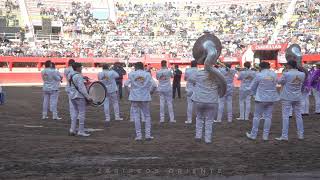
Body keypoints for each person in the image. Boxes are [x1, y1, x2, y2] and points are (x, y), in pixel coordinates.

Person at [246, 62, 280, 141]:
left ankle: (253, 135)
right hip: (271, 98)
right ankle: (265, 136)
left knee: (257, 116)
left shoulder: (259, 75)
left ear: (261, 67)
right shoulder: (274, 74)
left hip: (261, 98)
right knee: (268, 117)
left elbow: (252, 87)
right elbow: (276, 83)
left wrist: (252, 94)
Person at [275, 60, 305, 141]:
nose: (286, 66)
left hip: (287, 97)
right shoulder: (302, 74)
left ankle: (284, 136)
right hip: (297, 97)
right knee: (298, 116)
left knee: (285, 116)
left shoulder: (286, 74)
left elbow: (279, 82)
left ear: (289, 65)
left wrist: (277, 76)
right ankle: (301, 135)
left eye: (287, 65)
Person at [125, 62, 154, 141]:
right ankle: (147, 135)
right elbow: (154, 85)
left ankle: (139, 136)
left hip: (134, 97)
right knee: (147, 116)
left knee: (136, 116)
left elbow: (125, 84)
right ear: (142, 67)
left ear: (135, 67)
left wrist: (130, 93)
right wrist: (151, 92)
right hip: (145, 97)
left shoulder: (131, 74)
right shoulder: (147, 74)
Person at [69, 62, 93, 137]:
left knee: (75, 113)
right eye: (80, 67)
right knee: (82, 113)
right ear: (77, 68)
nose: (81, 68)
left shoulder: (71, 74)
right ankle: (81, 131)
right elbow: (82, 88)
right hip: (79, 96)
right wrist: (88, 97)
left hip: (72, 96)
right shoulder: (78, 76)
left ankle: (72, 129)